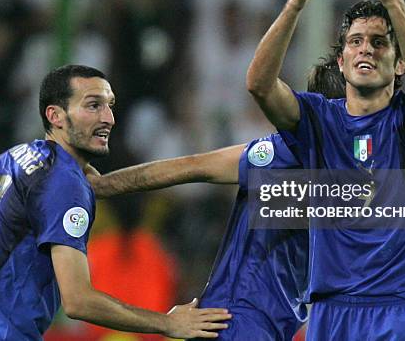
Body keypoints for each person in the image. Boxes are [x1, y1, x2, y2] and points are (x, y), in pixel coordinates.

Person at [246, 0, 405, 340]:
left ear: (399, 64)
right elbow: (259, 84)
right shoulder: (316, 120)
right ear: (341, 61)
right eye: (356, 42)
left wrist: (396, 4)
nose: (367, 50)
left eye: (380, 43)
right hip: (332, 311)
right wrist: (294, 5)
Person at [0, 65, 230, 340]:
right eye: (93, 105)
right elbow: (78, 301)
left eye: (109, 106)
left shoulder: (13, 160)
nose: (108, 118)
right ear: (55, 116)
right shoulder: (65, 186)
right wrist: (168, 323)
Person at [85, 61, 345, 341]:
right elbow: (190, 167)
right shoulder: (278, 159)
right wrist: (101, 186)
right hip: (235, 324)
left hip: (268, 327)